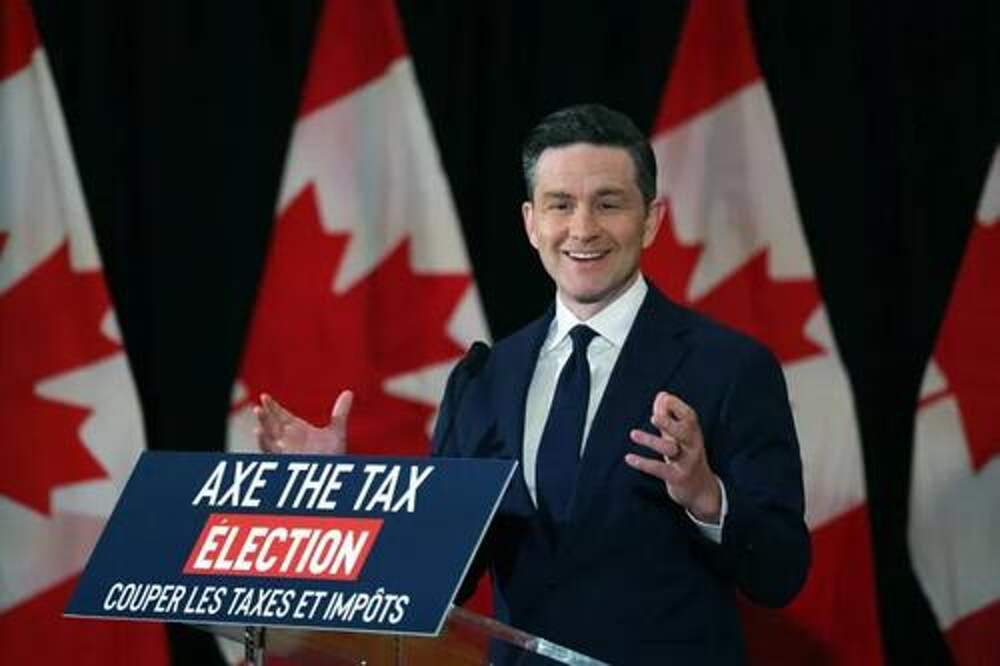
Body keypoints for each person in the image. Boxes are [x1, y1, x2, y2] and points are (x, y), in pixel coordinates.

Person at [256, 103, 810, 665]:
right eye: (560, 205)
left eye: (608, 203)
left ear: (650, 219)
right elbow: (435, 576)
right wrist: (335, 492)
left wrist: (707, 498)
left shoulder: (729, 368)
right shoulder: (485, 380)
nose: (583, 229)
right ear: (530, 222)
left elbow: (782, 572)